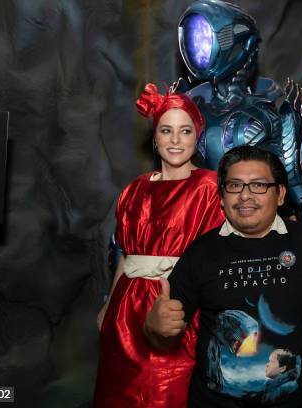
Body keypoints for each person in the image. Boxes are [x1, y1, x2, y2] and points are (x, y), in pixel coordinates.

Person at [143, 145, 302, 407]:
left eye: (258, 185)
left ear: (280, 194)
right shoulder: (201, 252)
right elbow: (160, 332)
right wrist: (155, 325)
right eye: (234, 185)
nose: (245, 196)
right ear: (221, 197)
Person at [93, 84, 225, 408]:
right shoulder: (133, 190)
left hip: (178, 308)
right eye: (167, 131)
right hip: (126, 312)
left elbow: (220, 258)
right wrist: (109, 306)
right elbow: (125, 253)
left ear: (198, 136)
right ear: (156, 137)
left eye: (185, 131)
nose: (176, 140)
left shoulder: (211, 187)